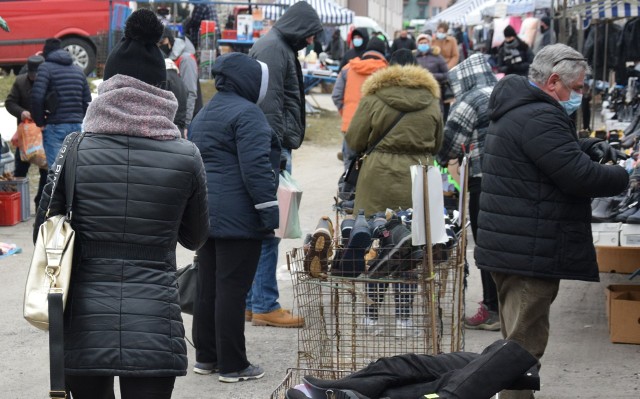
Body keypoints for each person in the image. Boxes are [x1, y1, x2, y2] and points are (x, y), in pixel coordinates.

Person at [33, 9, 209, 399]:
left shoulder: (73, 150)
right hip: (155, 323)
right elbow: (196, 238)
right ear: (161, 90)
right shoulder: (187, 155)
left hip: (83, 322)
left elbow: (42, 236)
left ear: (107, 87)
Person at [475, 44, 629, 399]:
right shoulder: (538, 116)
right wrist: (623, 175)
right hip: (527, 249)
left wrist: (585, 146)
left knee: (515, 344)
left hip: (514, 245)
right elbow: (578, 177)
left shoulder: (521, 108)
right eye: (576, 89)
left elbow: (548, 157)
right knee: (522, 350)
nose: (579, 96)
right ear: (554, 80)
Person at [189, 52, 279, 382]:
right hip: (240, 219)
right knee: (232, 291)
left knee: (208, 288)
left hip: (207, 214)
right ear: (249, 81)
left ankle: (207, 358)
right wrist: (269, 213)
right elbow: (256, 170)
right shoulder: (249, 114)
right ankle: (233, 365)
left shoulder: (204, 113)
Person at [247, 1, 322, 328]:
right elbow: (269, 107)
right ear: (299, 29)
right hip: (271, 150)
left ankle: (253, 302)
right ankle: (264, 303)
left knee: (263, 227)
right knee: (269, 228)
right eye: (309, 36)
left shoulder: (276, 45)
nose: (310, 43)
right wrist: (275, 152)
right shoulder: (274, 49)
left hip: (272, 147)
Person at [435, 54, 499, 331]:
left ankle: (491, 309)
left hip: (483, 179)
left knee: (484, 245)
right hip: (511, 179)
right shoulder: (501, 92)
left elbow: (451, 141)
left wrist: (440, 161)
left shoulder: (470, 100)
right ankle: (506, 305)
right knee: (505, 243)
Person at [345, 50, 443, 217]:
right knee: (417, 231)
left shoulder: (372, 98)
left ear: (389, 68)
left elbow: (354, 140)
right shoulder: (432, 102)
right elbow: (437, 145)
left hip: (378, 175)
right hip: (420, 177)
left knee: (373, 231)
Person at [30, 38, 91, 168]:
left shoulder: (45, 68)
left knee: (56, 172)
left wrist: (40, 122)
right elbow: (87, 101)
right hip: (77, 127)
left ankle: (57, 189)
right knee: (74, 169)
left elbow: (36, 97)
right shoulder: (78, 71)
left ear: (46, 53)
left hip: (55, 126)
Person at [332, 37, 388, 171]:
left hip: (350, 123)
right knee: (371, 165)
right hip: (376, 126)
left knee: (350, 164)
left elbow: (336, 95)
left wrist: (345, 113)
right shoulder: (387, 71)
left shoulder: (348, 68)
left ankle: (348, 191)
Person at [5, 55, 48, 208]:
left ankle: (40, 204)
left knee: (46, 171)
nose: (34, 78)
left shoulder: (50, 81)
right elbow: (10, 103)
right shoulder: (20, 81)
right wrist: (21, 112)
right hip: (25, 136)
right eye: (32, 75)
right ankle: (19, 206)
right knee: (20, 169)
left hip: (44, 134)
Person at [158, 28, 202, 133]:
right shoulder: (171, 58)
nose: (160, 46)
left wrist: (186, 124)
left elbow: (191, 92)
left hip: (189, 120)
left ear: (169, 40)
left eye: (162, 42)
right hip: (178, 119)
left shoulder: (186, 60)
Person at [414, 33, 449, 114]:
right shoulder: (414, 57)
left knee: (437, 110)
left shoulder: (437, 56)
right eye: (421, 43)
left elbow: (446, 74)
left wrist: (432, 76)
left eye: (425, 43)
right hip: (419, 90)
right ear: (417, 44)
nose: (423, 45)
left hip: (435, 89)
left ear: (429, 43)